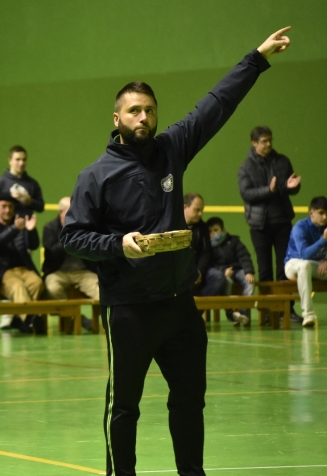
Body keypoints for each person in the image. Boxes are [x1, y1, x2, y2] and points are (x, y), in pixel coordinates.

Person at [60, 28, 290, 476]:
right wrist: (117, 244)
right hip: (128, 308)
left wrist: (257, 58)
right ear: (117, 117)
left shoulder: (172, 149)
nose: (143, 117)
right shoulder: (96, 176)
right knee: (124, 407)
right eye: (134, 111)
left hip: (179, 306)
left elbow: (215, 105)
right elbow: (73, 236)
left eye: (149, 110)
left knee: (189, 402)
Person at [238, 126, 302, 322]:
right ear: (254, 143)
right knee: (264, 270)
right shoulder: (246, 167)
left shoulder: (282, 161)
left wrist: (293, 187)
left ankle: (287, 310)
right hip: (260, 226)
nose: (268, 144)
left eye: (270, 140)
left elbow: (288, 187)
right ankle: (266, 312)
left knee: (285, 268)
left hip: (283, 221)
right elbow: (246, 194)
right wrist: (269, 190)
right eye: (264, 141)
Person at [0, 196, 45, 334]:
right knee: (18, 286)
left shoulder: (20, 223)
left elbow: (33, 245)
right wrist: (14, 229)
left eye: (10, 207)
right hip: (2, 271)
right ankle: (30, 319)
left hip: (23, 267)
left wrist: (31, 230)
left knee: (37, 283)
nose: (8, 210)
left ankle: (21, 318)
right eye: (4, 206)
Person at [43, 197, 99, 332]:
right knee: (53, 289)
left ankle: (105, 323)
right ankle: (75, 319)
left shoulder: (84, 226)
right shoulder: (49, 228)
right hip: (58, 271)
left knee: (100, 290)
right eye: (70, 211)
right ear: (60, 213)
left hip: (83, 272)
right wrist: (67, 235)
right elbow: (52, 252)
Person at [284, 196, 327, 328]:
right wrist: (323, 240)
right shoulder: (300, 227)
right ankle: (308, 315)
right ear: (311, 213)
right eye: (321, 213)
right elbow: (304, 254)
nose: (325, 217)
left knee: (308, 266)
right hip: (294, 264)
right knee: (305, 265)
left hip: (317, 265)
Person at [206, 216, 256, 326]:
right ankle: (232, 313)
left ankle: (244, 312)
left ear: (223, 230)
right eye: (210, 231)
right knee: (225, 282)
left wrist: (248, 272)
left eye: (216, 230)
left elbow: (244, 256)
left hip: (238, 270)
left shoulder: (234, 241)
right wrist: (223, 271)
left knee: (250, 282)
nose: (213, 233)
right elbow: (210, 265)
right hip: (224, 273)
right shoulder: (208, 247)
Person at [184, 193, 226, 297]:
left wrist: (199, 271)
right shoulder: (172, 225)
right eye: (197, 210)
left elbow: (206, 252)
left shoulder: (203, 228)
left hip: (198, 270)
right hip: (180, 272)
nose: (200, 214)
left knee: (218, 277)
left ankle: (196, 309)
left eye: (201, 210)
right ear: (185, 207)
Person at [0, 145, 44, 219]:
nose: (21, 163)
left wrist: (30, 202)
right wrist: (9, 199)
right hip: (6, 229)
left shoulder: (32, 184)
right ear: (9, 161)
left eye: (24, 160)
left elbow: (41, 207)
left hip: (26, 228)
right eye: (18, 159)